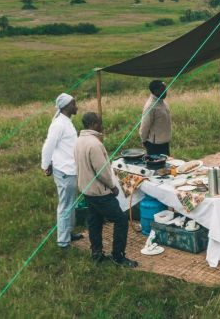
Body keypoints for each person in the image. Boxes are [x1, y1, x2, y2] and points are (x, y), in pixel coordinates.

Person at [75, 112, 138, 268]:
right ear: (94, 123)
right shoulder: (95, 144)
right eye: (100, 123)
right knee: (121, 220)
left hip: (86, 190)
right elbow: (102, 171)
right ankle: (118, 256)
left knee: (94, 221)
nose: (101, 126)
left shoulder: (79, 141)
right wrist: (112, 186)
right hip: (100, 192)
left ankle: (96, 253)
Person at [40, 93, 83, 248]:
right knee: (65, 205)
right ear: (66, 107)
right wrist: (46, 165)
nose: (76, 106)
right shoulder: (59, 124)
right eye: (74, 104)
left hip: (70, 168)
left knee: (71, 203)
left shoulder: (66, 122)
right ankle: (63, 241)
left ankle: (69, 232)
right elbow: (48, 145)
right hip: (65, 171)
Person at [139, 80, 171, 156]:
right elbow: (145, 126)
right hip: (155, 144)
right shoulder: (150, 106)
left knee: (166, 165)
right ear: (156, 91)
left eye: (165, 89)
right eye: (163, 89)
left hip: (165, 142)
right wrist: (143, 140)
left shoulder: (162, 102)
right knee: (156, 166)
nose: (165, 91)